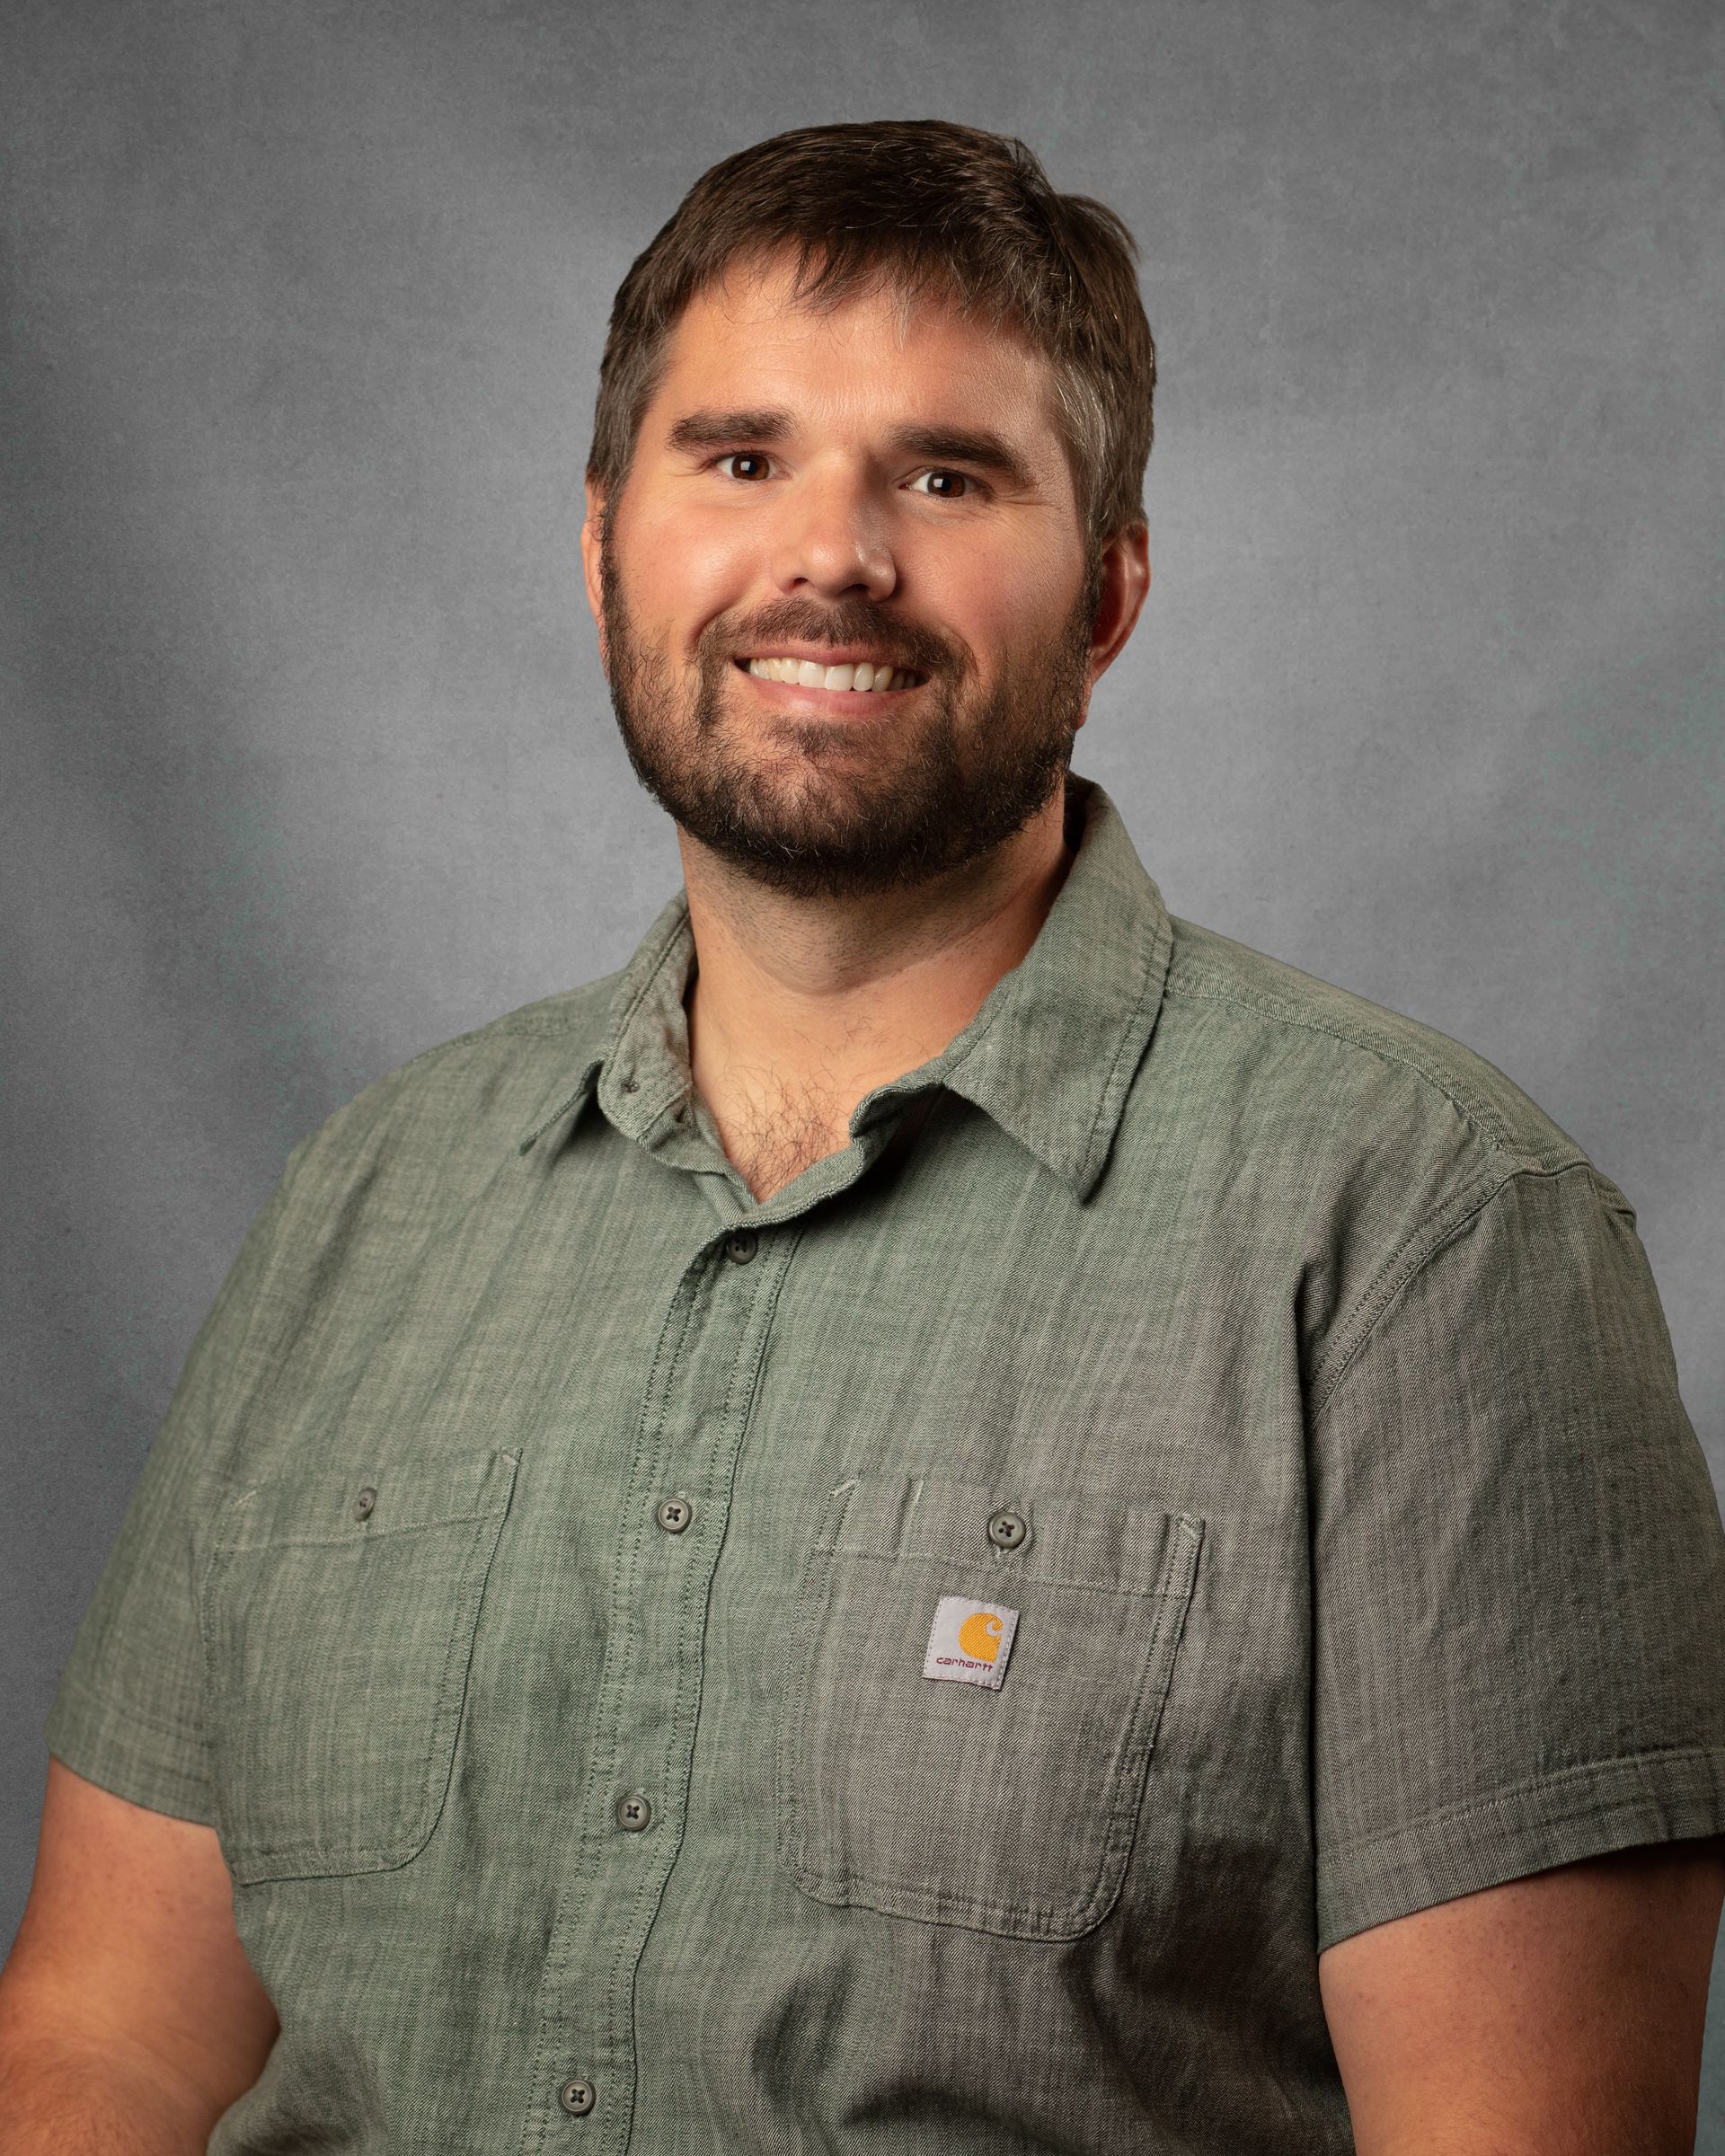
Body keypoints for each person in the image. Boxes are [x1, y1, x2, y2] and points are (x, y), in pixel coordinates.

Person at [2, 118, 1722, 2156]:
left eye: (946, 473)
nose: (832, 551)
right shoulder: (367, 1203)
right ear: (602, 548)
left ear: (1109, 594)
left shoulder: (1431, 1237)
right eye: (741, 460)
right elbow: (107, 2036)